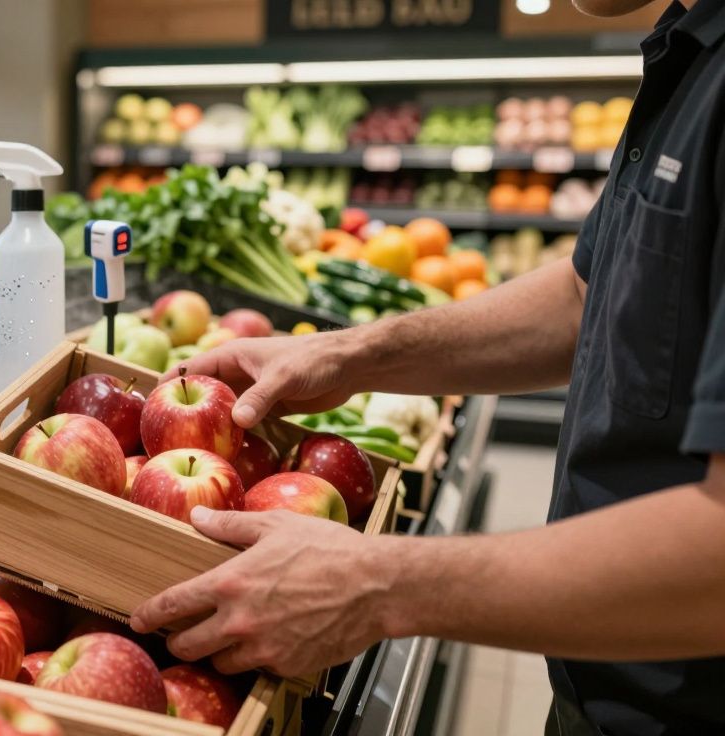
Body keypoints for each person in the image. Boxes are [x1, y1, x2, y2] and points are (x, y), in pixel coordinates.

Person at [130, 1, 725, 734]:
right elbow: (587, 297)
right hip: (605, 678)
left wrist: (378, 583)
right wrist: (350, 352)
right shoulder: (687, 55)